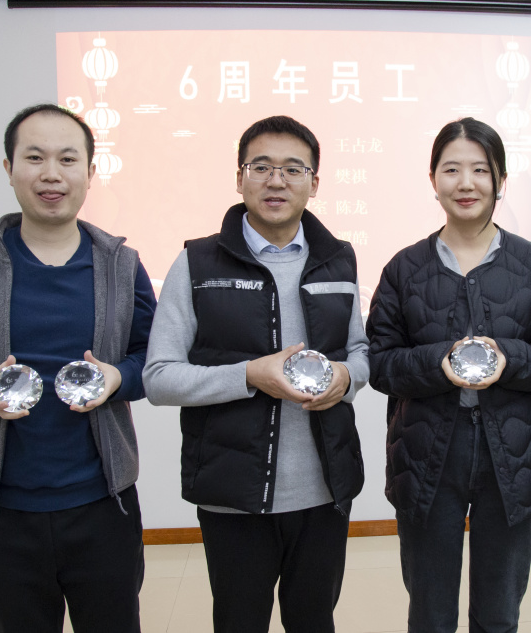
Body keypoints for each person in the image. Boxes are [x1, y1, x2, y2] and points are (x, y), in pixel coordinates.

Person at [0, 103, 156, 633]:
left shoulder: (122, 266)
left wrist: (118, 378)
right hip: (3, 510)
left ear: (90, 172)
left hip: (103, 504)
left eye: (68, 159)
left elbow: (153, 360)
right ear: (9, 169)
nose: (51, 174)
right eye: (34, 158)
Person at [142, 115, 369, 633]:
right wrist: (248, 375)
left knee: (314, 621)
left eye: (293, 169)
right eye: (261, 166)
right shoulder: (197, 262)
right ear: (239, 177)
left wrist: (345, 377)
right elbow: (158, 377)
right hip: (233, 495)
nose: (276, 180)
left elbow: (360, 351)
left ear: (314, 182)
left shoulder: (339, 259)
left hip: (325, 491)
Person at [366, 117, 531, 633]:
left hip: (513, 456)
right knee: (430, 612)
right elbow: (379, 362)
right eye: (451, 170)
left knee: (499, 611)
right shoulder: (404, 268)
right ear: (433, 179)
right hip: (426, 457)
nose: (466, 183)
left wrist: (507, 358)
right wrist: (437, 362)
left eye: (480, 170)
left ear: (501, 180)